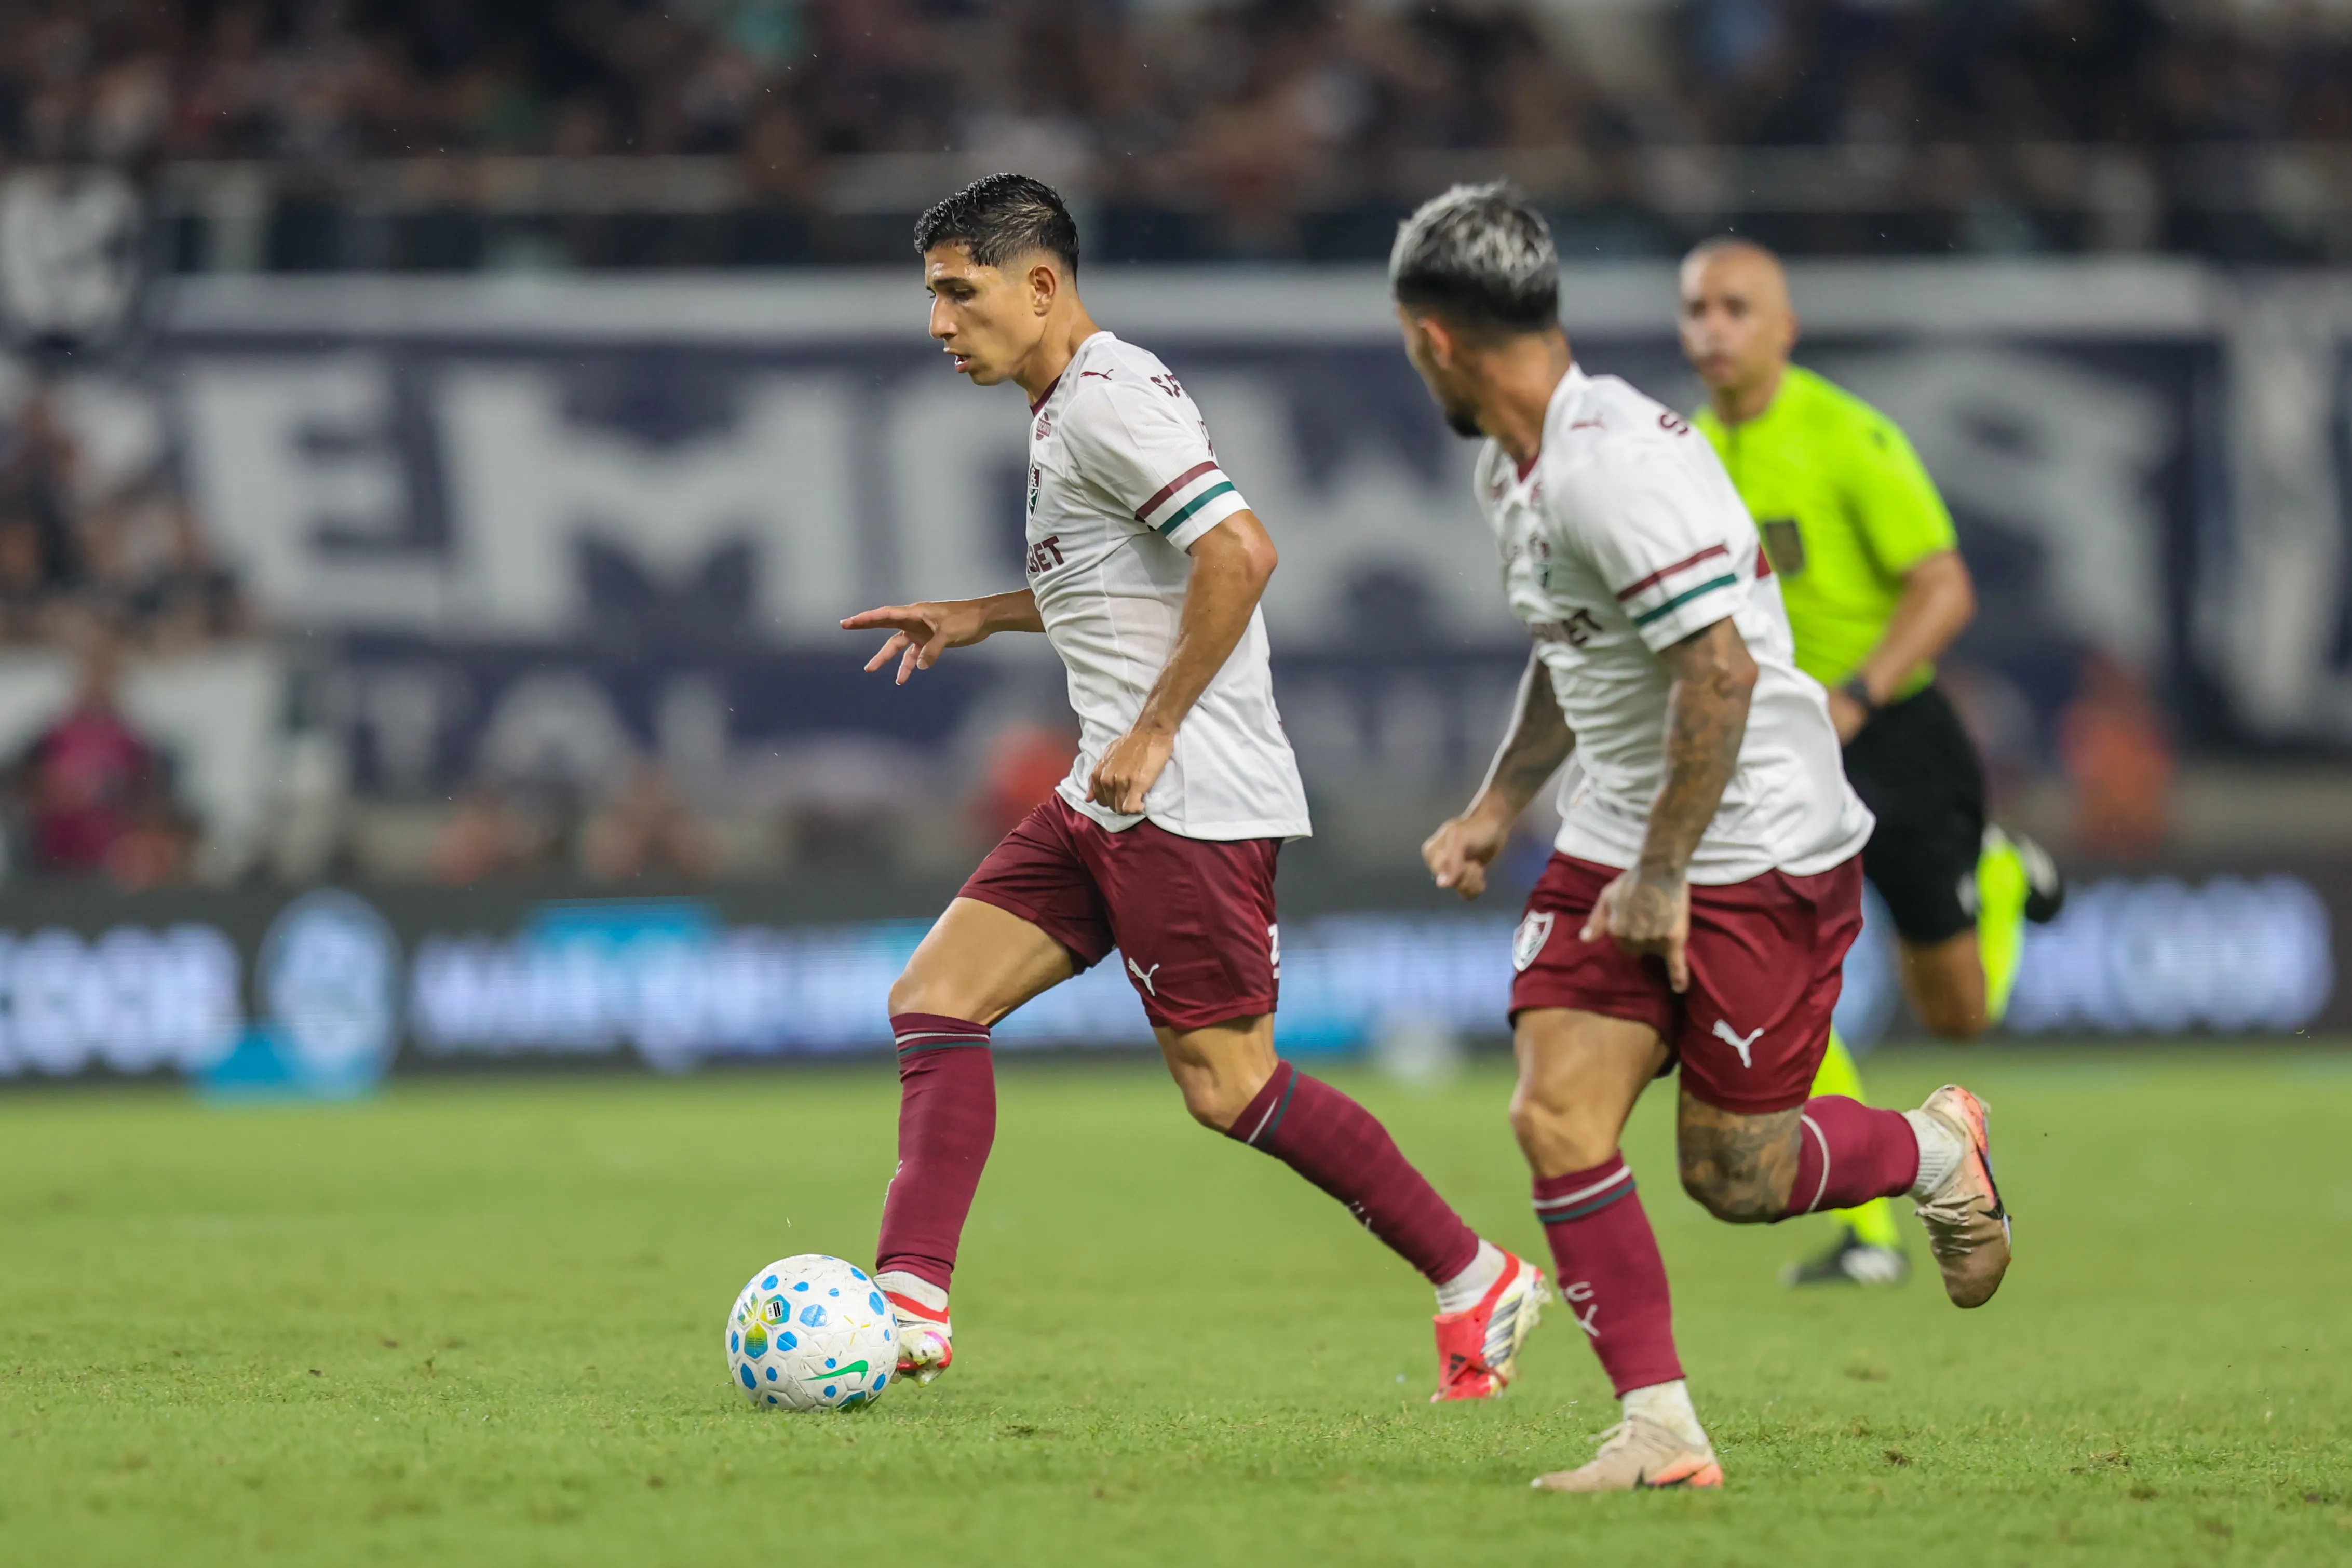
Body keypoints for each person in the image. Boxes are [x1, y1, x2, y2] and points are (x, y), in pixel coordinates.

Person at [840, 173, 1546, 1403]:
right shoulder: (1074, 402)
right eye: (933, 298)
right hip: (1106, 790)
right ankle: (910, 1301)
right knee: (936, 996)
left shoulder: (1107, 403)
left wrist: (1159, 729)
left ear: (1042, 284)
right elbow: (1129, 583)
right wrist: (981, 618)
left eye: (960, 293)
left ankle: (1475, 1275)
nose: (941, 324)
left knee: (1230, 1087)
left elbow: (1242, 550)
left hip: (1187, 797)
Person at [1398, 184, 2012, 1492]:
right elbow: (1575, 651)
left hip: (1758, 848)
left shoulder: (1611, 463)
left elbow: (1720, 673)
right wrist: (1502, 804)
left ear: (1435, 337)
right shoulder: (1513, 465)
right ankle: (1661, 1432)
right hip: (1623, 824)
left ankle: (1937, 1148)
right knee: (1556, 1111)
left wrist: (1668, 872)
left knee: (1738, 1175)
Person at [1678, 240, 2064, 1287]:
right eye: (1697, 309)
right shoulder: (1694, 452)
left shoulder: (1848, 435)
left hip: (1893, 733)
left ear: (1783, 327)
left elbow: (1945, 589)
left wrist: (1857, 694)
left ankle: (1997, 873)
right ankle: (1872, 1237)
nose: (1712, 327)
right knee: (1790, 976)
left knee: (1957, 1016)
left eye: (1735, 307)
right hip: (1783, 751)